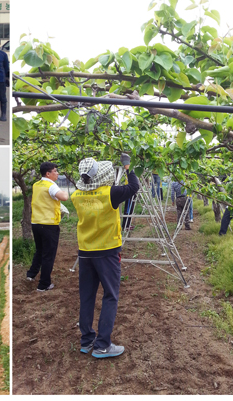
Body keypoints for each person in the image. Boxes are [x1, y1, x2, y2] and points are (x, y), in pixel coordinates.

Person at [71, 154, 139, 359]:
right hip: (107, 251)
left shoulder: (76, 196)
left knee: (87, 296)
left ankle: (87, 341)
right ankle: (102, 345)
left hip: (85, 252)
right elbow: (134, 187)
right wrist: (128, 167)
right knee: (110, 295)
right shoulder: (110, 193)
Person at [26, 162, 69, 291]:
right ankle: (44, 284)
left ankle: (31, 274)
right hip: (49, 225)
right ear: (48, 174)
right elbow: (64, 197)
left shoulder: (36, 185)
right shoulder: (50, 186)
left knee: (39, 250)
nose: (57, 173)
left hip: (36, 223)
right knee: (48, 255)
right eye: (55, 171)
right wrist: (63, 192)